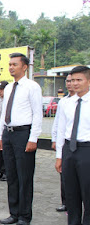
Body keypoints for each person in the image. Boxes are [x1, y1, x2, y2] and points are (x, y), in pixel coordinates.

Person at [0, 53, 42, 225]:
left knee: (24, 176)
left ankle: (24, 215)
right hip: (8, 133)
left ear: (24, 67)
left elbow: (38, 114)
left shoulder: (32, 87)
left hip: (24, 134)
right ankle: (13, 213)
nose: (11, 67)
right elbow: (4, 113)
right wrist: (0, 135)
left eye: (15, 64)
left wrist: (33, 138)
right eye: (9, 64)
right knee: (12, 176)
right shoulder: (8, 88)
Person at [55, 66, 90, 225]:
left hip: (86, 150)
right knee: (71, 194)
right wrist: (59, 157)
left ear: (88, 81)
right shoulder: (66, 103)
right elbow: (61, 130)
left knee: (87, 193)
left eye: (79, 80)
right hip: (69, 150)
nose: (75, 84)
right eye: (72, 80)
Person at [51, 74, 74, 213]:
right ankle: (66, 202)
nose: (71, 84)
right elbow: (58, 123)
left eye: (75, 80)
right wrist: (55, 139)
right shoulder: (63, 102)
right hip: (65, 143)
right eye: (69, 81)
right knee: (64, 175)